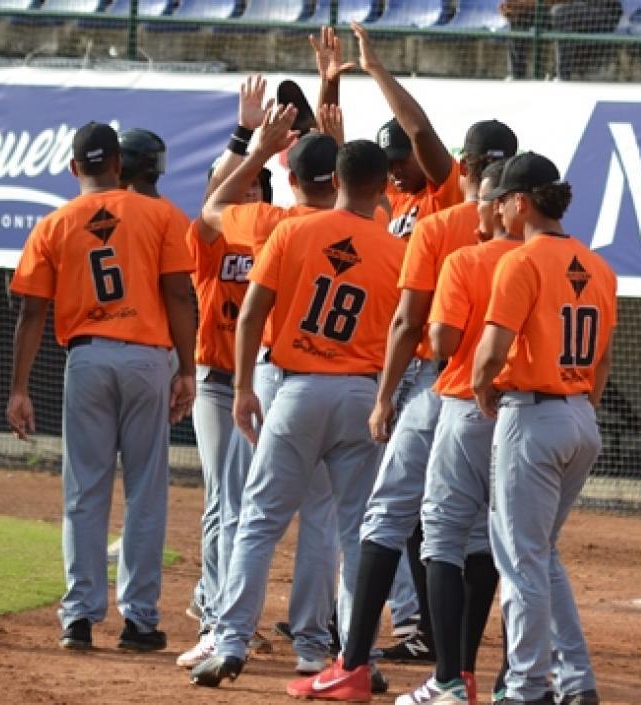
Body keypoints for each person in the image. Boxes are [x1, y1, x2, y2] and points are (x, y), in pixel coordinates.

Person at [291, 119, 518, 700]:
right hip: (505, 397)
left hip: (434, 383)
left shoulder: (440, 225)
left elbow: (409, 321)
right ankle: (463, 669)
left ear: (465, 167)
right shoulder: (533, 242)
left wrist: (386, 394)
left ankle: (352, 664)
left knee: (388, 515)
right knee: (481, 536)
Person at [189, 138, 405, 694]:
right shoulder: (394, 250)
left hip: (298, 389)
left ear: (334, 179)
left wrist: (241, 386)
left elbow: (253, 313)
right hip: (362, 396)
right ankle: (352, 655)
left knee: (259, 520)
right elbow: (406, 336)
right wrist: (387, 398)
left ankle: (231, 639)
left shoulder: (290, 229)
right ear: (382, 189)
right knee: (355, 531)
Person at [7, 121, 197, 652]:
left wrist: (19, 387)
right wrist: (187, 369)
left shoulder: (53, 223)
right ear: (119, 165)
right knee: (145, 494)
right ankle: (139, 621)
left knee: (84, 492)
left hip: (85, 359)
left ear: (74, 168)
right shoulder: (162, 214)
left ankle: (79, 617)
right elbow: (180, 296)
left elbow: (31, 312)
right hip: (146, 360)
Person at [472, 152, 617, 705]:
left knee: (520, 558)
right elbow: (602, 360)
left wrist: (484, 386)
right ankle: (576, 680)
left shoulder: (521, 261)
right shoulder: (599, 266)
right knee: (541, 553)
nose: (499, 206)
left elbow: (492, 350)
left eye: (504, 197)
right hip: (579, 414)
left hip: (533, 417)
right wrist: (580, 408)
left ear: (522, 202)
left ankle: (527, 685)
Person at [395, 158, 518, 705]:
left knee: (440, 536)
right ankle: (513, 677)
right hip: (528, 414)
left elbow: (441, 342)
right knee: (514, 546)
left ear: (495, 204)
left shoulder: (465, 256)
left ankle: (449, 678)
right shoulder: (559, 260)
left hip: (467, 401)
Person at [178, 74, 285, 668]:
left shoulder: (276, 232)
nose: (241, 197)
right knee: (225, 498)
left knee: (248, 501)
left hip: (266, 383)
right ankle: (217, 615)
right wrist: (246, 137)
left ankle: (216, 604)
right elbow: (214, 195)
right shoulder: (209, 239)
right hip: (218, 382)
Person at [351, 22, 464, 240]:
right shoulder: (387, 197)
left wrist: (375, 68)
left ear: (418, 151)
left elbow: (420, 131)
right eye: (389, 165)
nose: (395, 171)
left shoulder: (445, 190)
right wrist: (330, 84)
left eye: (401, 159)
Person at [501, 0, 623, 79]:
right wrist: (517, 5)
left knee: (560, 12)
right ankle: (516, 75)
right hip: (561, 8)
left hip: (603, 12)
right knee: (518, 14)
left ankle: (563, 77)